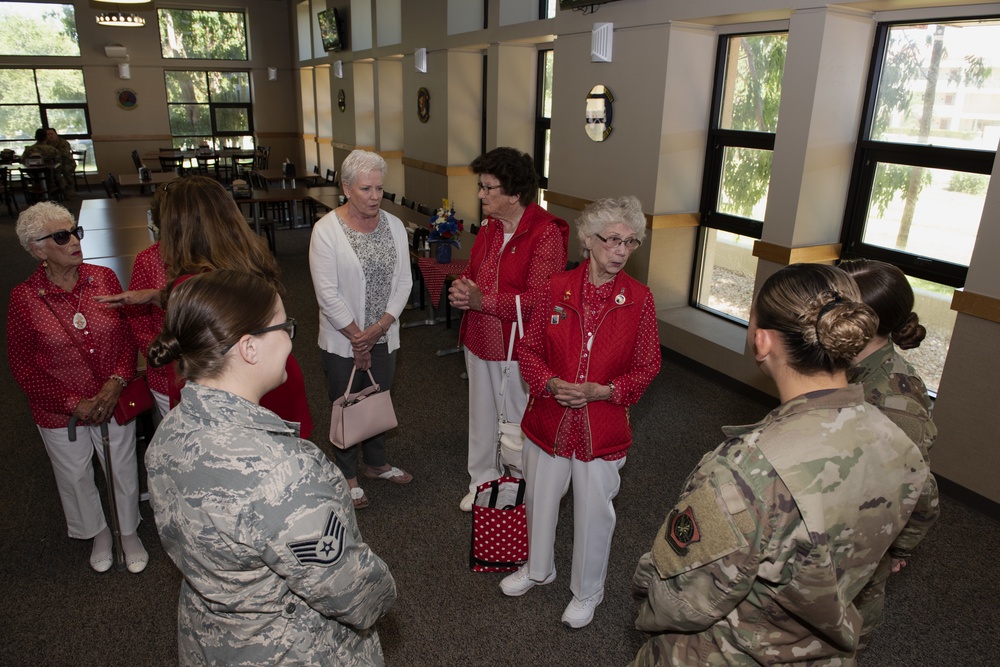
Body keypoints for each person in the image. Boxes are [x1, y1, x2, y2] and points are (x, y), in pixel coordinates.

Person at [630, 263, 930, 666]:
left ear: (762, 342)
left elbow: (684, 599)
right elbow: (919, 515)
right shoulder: (899, 440)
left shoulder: (747, 469)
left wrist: (645, 606)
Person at [145, 270, 396, 665]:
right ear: (249, 348)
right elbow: (353, 593)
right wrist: (385, 594)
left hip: (212, 644)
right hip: (291, 650)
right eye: (284, 326)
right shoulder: (285, 472)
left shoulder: (171, 431)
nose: (289, 339)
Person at [502, 196, 661, 629]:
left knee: (594, 512)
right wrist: (552, 383)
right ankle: (538, 569)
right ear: (589, 240)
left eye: (630, 242)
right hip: (550, 417)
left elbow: (649, 365)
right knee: (539, 499)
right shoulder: (556, 288)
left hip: (602, 424)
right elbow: (529, 349)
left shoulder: (639, 300)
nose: (622, 250)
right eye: (612, 240)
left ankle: (587, 591)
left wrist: (607, 390)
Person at [98, 176, 313, 438]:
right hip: (275, 372)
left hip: (233, 393)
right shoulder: (249, 258)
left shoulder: (189, 285)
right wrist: (158, 296)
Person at [7, 201, 147, 573]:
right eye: (61, 236)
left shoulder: (103, 278)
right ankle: (98, 532)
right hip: (59, 410)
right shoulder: (23, 299)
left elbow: (126, 338)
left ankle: (127, 530)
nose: (74, 240)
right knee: (74, 474)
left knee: (121, 466)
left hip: (112, 398)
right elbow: (22, 365)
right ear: (38, 248)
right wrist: (73, 402)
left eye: (74, 231)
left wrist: (116, 382)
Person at [449, 146, 569, 512]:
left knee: (517, 423)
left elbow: (540, 300)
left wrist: (482, 302)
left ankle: (520, 490)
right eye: (481, 186)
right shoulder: (489, 226)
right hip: (479, 338)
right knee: (482, 416)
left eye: (489, 188)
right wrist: (462, 286)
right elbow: (475, 270)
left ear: (515, 194)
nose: (481, 194)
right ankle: (483, 481)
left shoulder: (546, 234)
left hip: (520, 347)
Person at [840, 258, 941, 649]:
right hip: (827, 521)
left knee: (839, 637)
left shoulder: (895, 400)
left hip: (859, 542)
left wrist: (900, 548)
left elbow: (919, 487)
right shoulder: (844, 364)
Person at [309, 150, 413, 509]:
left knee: (378, 397)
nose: (374, 197)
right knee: (346, 402)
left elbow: (404, 282)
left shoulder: (395, 226)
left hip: (384, 334)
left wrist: (380, 328)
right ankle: (347, 472)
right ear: (346, 188)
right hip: (342, 339)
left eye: (379, 189)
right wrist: (358, 336)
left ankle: (376, 463)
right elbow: (327, 294)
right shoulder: (326, 231)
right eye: (365, 189)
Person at [125, 186, 171, 416]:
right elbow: (138, 321)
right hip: (166, 372)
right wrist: (161, 356)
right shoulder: (148, 260)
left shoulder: (214, 256)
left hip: (214, 371)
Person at [23, 128, 71, 198]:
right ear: (46, 137)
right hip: (50, 177)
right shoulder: (52, 150)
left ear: (36, 137)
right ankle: (64, 194)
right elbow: (58, 162)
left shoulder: (29, 150)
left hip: (35, 178)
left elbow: (23, 161)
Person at [45, 127, 76, 196]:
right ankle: (53, 190)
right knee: (48, 172)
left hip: (67, 163)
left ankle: (70, 189)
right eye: (47, 134)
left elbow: (64, 154)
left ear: (56, 134)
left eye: (51, 134)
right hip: (53, 164)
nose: (50, 136)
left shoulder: (63, 143)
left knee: (65, 170)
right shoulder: (45, 144)